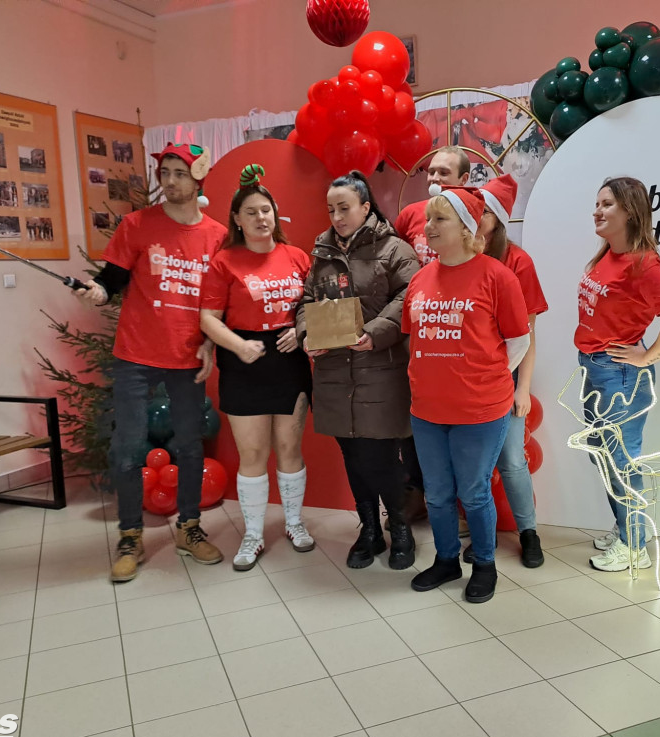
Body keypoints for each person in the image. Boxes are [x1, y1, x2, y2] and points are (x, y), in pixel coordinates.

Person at [75, 142, 225, 583]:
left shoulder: (216, 235)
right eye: (166, 173)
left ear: (197, 178)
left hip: (187, 357)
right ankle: (130, 534)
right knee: (127, 449)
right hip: (136, 356)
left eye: (181, 173)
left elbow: (219, 303)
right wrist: (98, 291)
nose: (172, 182)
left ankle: (189, 528)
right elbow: (111, 281)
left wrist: (210, 346)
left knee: (190, 446)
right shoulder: (136, 225)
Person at [402, 186, 530, 603]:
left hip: (480, 410)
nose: (429, 227)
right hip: (427, 410)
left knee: (473, 492)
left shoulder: (497, 276)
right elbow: (413, 338)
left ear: (467, 228)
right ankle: (445, 559)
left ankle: (486, 565)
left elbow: (519, 341)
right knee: (437, 493)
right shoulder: (420, 279)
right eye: (428, 219)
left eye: (440, 220)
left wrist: (487, 379)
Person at [296, 171, 420, 570]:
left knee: (380, 457)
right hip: (333, 374)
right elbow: (306, 301)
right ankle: (368, 529)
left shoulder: (395, 250)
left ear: (366, 207)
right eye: (331, 209)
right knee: (352, 455)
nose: (337, 216)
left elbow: (412, 294)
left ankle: (399, 528)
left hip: (380, 370)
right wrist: (305, 335)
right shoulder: (321, 254)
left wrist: (374, 331)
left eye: (344, 208)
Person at [576, 176, 660, 572]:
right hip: (595, 369)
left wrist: (647, 357)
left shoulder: (645, 263)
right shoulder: (607, 255)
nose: (598, 210)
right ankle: (628, 528)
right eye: (597, 203)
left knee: (622, 464)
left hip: (620, 377)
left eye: (607, 204)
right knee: (605, 460)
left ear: (630, 210)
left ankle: (634, 547)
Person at [200, 164, 313, 571]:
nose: (261, 218)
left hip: (289, 359)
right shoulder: (224, 261)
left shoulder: (298, 256)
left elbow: (313, 309)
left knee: (289, 449)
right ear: (237, 219)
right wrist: (237, 345)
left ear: (275, 214)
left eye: (266, 210)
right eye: (251, 212)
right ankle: (252, 533)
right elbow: (208, 318)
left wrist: (300, 333)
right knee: (253, 453)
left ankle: (295, 523)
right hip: (243, 359)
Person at [463, 174, 546, 568]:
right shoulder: (461, 258)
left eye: (481, 211)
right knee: (474, 465)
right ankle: (483, 535)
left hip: (506, 379)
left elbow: (528, 335)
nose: (473, 217)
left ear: (496, 218)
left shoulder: (518, 262)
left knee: (512, 459)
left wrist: (522, 389)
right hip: (465, 382)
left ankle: (529, 534)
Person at [393, 146, 472, 528]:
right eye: (430, 172)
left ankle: (461, 504)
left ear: (464, 180)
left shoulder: (475, 218)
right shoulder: (409, 216)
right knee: (415, 424)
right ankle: (416, 494)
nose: (435, 179)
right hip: (418, 335)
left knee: (459, 430)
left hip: (459, 339)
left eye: (444, 173)